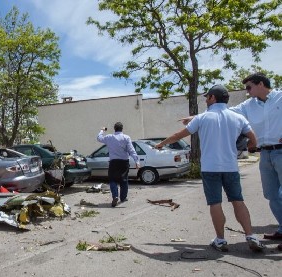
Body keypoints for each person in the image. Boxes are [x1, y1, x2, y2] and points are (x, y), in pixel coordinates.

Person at [156, 84, 264, 252]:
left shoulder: (202, 118)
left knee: (215, 203)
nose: (206, 99)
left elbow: (179, 135)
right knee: (238, 201)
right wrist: (250, 147)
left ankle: (220, 240)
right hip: (231, 167)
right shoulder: (238, 118)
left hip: (210, 168)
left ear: (213, 98)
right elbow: (253, 138)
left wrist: (161, 144)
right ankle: (250, 235)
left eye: (207, 97)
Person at [182, 73, 281, 248]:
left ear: (260, 84)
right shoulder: (248, 105)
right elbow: (224, 112)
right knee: (272, 194)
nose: (247, 92)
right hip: (265, 154)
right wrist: (195, 118)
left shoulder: (280, 97)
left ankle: (221, 238)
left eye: (249, 87)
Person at [97, 122, 140, 207]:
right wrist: (137, 161)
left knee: (112, 180)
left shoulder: (109, 137)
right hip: (124, 162)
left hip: (113, 162)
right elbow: (131, 150)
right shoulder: (126, 138)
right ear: (122, 128)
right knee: (124, 180)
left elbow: (99, 138)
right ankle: (123, 198)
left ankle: (115, 196)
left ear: (114, 128)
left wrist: (102, 130)